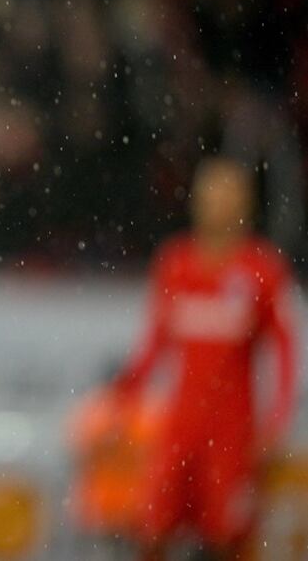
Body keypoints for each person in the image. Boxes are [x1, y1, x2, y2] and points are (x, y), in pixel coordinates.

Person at [112, 156, 299, 560]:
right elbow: (154, 346)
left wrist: (277, 421)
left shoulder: (263, 270)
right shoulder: (175, 263)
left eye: (227, 195)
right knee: (151, 532)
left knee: (227, 541)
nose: (216, 204)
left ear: (245, 203)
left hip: (232, 433)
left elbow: (285, 350)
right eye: (209, 194)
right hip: (180, 428)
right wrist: (121, 399)